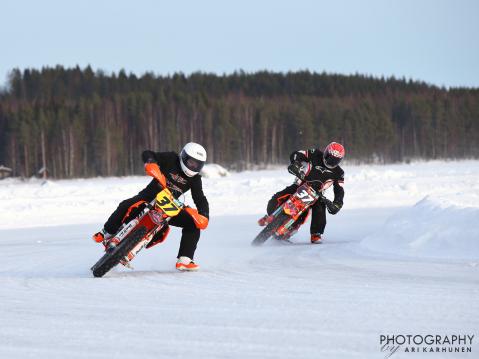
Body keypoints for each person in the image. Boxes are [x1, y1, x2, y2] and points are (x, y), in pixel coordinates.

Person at [92, 142, 209, 271]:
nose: (193, 166)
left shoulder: (195, 179)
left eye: (197, 164)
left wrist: (204, 215)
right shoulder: (171, 158)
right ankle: (107, 232)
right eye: (192, 162)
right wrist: (151, 162)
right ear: (183, 157)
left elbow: (200, 198)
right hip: (149, 196)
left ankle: (185, 259)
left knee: (193, 223)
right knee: (126, 204)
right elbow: (148, 153)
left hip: (169, 206)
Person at [258, 142, 345, 244]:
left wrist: (337, 204)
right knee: (277, 198)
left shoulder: (339, 173)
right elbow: (297, 154)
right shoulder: (315, 153)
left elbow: (339, 190)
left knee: (320, 206)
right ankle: (271, 216)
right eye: (329, 157)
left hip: (317, 195)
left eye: (335, 160)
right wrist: (295, 163)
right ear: (325, 152)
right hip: (301, 183)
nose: (331, 161)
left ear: (339, 160)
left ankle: (316, 234)